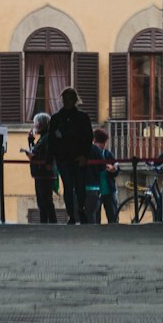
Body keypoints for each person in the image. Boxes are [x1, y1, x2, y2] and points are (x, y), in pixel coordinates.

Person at [47, 86, 93, 224]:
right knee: (69, 186)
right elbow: (51, 140)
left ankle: (79, 210)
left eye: (69, 99)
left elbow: (88, 138)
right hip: (63, 158)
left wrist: (84, 155)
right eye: (65, 99)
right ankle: (72, 214)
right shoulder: (56, 119)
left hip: (76, 157)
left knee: (79, 186)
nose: (67, 102)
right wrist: (49, 159)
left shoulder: (81, 118)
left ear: (74, 100)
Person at [23, 111, 56, 224]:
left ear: (41, 124)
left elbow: (44, 154)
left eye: (35, 122)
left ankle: (50, 224)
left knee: (46, 201)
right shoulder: (43, 138)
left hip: (45, 174)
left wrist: (33, 155)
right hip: (40, 174)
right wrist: (31, 141)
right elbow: (36, 151)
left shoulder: (46, 138)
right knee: (42, 202)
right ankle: (46, 224)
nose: (34, 125)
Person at [87, 127, 119, 224]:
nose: (103, 145)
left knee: (113, 215)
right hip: (96, 189)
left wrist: (114, 170)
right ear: (94, 141)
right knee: (95, 216)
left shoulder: (108, 154)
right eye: (101, 143)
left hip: (108, 189)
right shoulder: (90, 153)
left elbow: (116, 168)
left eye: (104, 143)